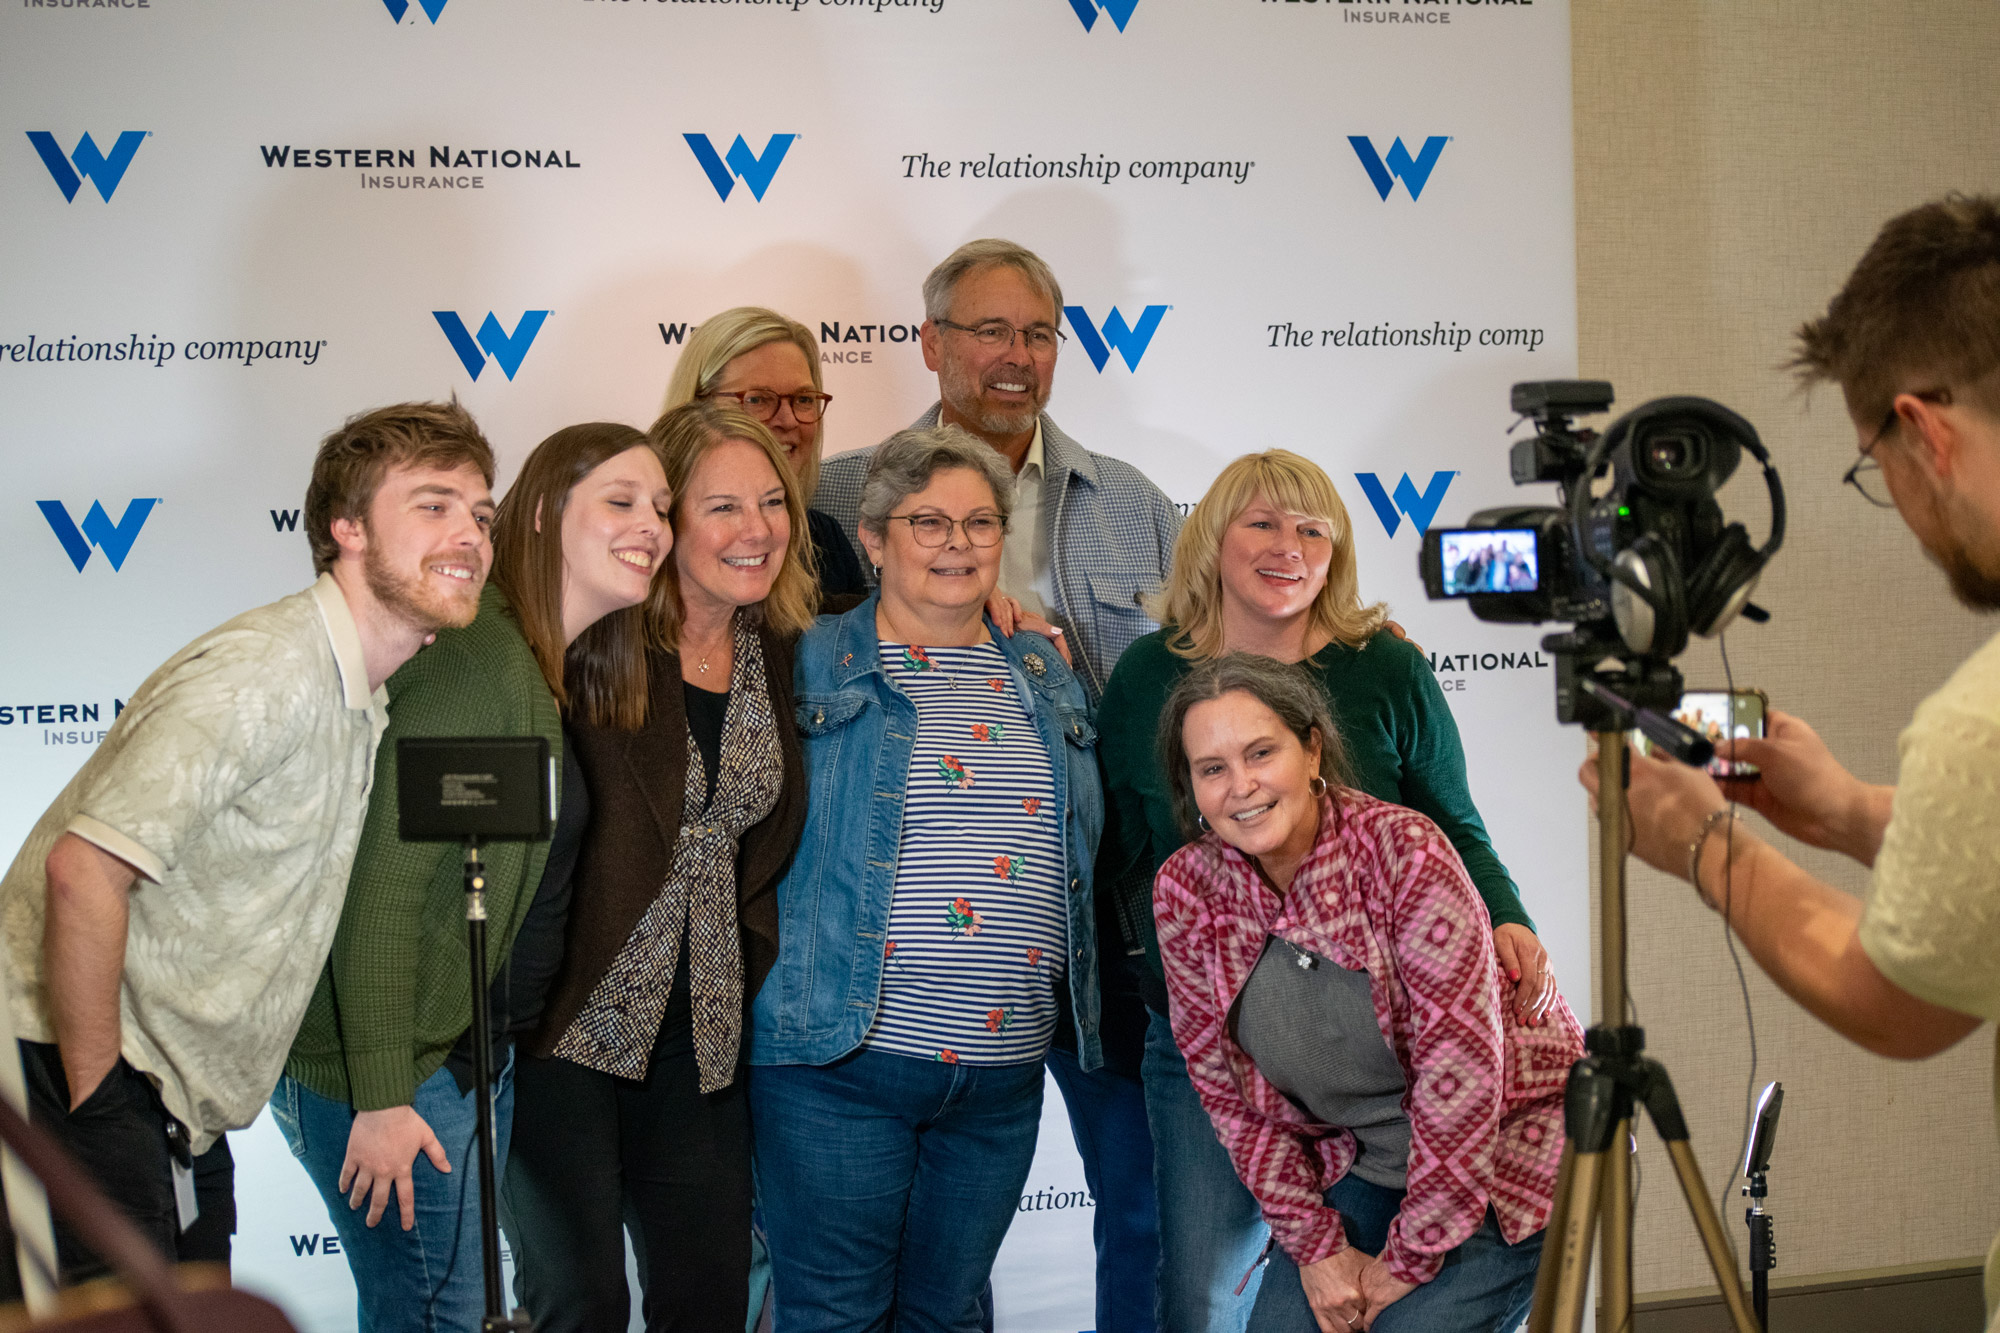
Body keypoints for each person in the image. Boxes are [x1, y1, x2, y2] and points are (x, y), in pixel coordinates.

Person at [1585, 194, 2000, 1331]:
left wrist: (1701, 841)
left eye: (1874, 467)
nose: (1899, 505)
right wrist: (1852, 811)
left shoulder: (1977, 723)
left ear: (1923, 432)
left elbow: (1896, 1005)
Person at [0, 401, 496, 1284]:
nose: (469, 534)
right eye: (433, 504)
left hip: (166, 1107)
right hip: (64, 1074)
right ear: (347, 528)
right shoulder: (269, 669)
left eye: (481, 514)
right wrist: (96, 1104)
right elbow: (82, 871)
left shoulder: (356, 690)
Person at [1095, 449, 1556, 1333]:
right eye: (1263, 523)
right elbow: (1117, 846)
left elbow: (1452, 820)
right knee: (1200, 1287)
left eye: (1312, 528)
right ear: (1212, 538)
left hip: (1396, 1052)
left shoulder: (1388, 682)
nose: (1289, 545)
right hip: (1229, 1024)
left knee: (1393, 1306)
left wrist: (1503, 915)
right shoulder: (1150, 682)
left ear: (1313, 749)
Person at [814, 239, 1177, 1333]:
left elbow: (1204, 670)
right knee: (925, 1254)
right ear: (930, 343)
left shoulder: (1135, 503)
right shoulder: (838, 495)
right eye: (988, 330)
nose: (1015, 356)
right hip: (917, 935)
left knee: (1146, 1206)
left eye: (1037, 334)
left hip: (1106, 919)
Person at [273, 423, 672, 1332]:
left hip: (454, 1058)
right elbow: (380, 892)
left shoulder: (517, 650)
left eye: (661, 505)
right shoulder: (477, 661)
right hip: (395, 1072)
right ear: (541, 514)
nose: (652, 524)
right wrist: (384, 1094)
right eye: (620, 501)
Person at [749, 424, 1104, 1333]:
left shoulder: (1043, 669)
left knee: (946, 1319)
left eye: (980, 522)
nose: (958, 544)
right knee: (836, 1318)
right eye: (929, 522)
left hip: (1001, 1075)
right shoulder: (804, 658)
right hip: (840, 1065)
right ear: (873, 538)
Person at [500, 402, 816, 1333]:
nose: (756, 528)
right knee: (581, 1302)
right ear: (667, 520)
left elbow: (906, 605)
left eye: (773, 502)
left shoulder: (780, 644)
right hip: (567, 1025)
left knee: (709, 1299)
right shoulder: (593, 636)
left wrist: (1003, 611)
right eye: (722, 506)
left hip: (704, 1030)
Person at [1154, 655, 1580, 1333]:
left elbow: (1462, 1080)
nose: (1241, 786)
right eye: (1212, 768)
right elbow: (1231, 1101)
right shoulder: (1185, 890)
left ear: (1312, 748)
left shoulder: (1404, 852)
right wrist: (1317, 1248)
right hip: (1370, 1162)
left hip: (1513, 1159)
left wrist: (1409, 1259)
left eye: (1261, 752)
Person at [665, 305, 866, 598]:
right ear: (697, 406)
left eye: (804, 399)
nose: (788, 420)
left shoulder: (825, 539)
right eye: (758, 399)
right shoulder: (645, 539)